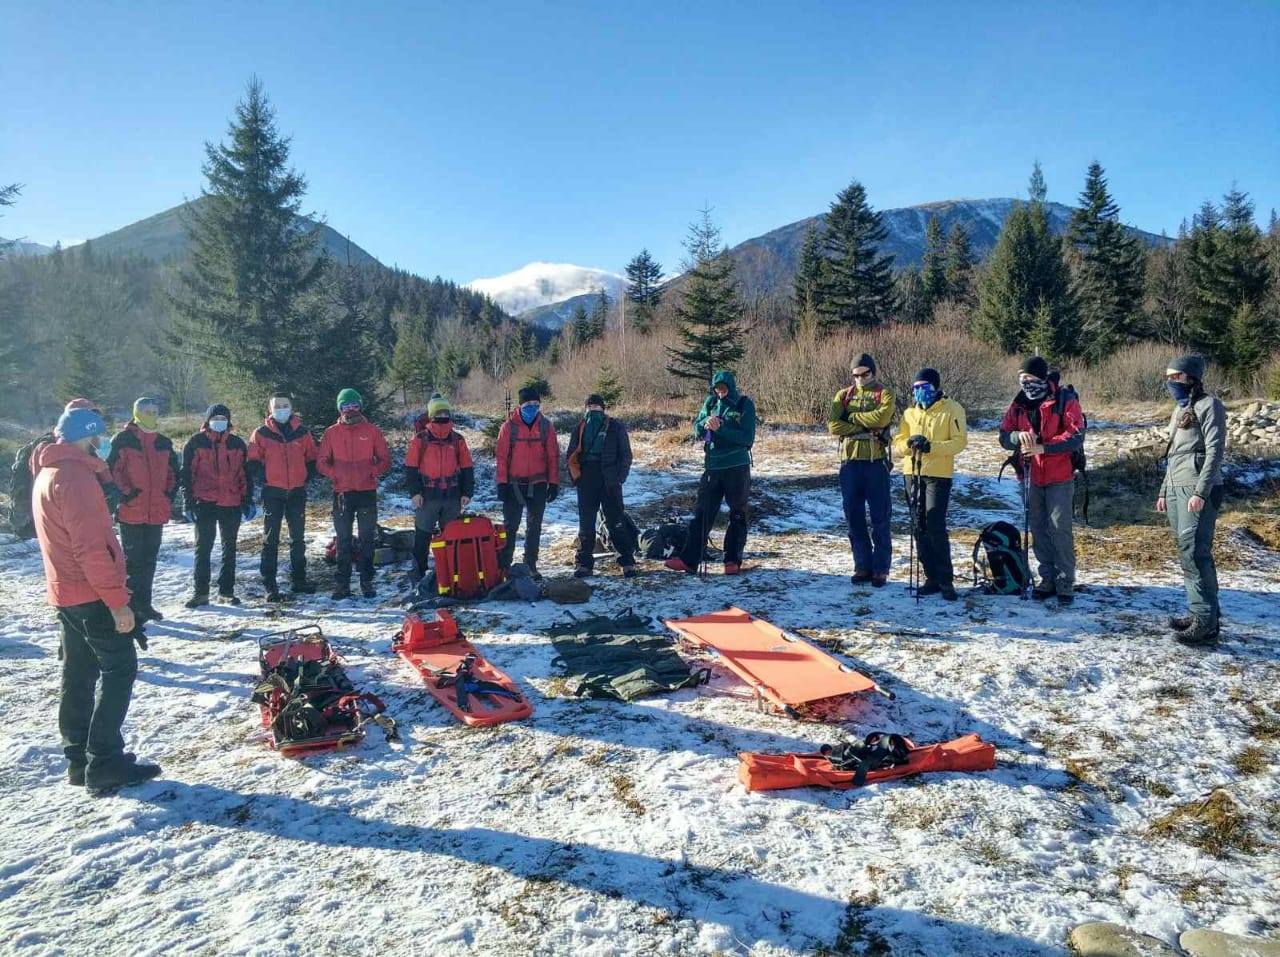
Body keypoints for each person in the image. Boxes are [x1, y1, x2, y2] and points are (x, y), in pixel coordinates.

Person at [32, 407, 160, 793]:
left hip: (65, 594)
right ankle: (103, 761)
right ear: (87, 438)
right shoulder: (75, 479)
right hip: (90, 595)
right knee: (120, 669)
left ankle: (79, 759)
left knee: (78, 674)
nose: (102, 444)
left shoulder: (48, 473)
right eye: (98, 438)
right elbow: (91, 548)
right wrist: (118, 602)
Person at [999, 356, 1085, 606]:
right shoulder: (1018, 403)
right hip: (1030, 475)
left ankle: (1065, 582)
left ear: (1042, 378)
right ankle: (1046, 579)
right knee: (1038, 528)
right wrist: (1017, 437)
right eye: (1022, 378)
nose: (1025, 383)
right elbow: (1003, 436)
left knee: (1059, 528)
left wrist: (1043, 448)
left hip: (1060, 475)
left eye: (1030, 378)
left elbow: (1076, 435)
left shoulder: (1064, 400)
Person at [1157, 355, 1227, 646]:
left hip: (1197, 489)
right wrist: (1163, 491)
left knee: (1195, 553)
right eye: (1168, 377)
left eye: (1176, 376)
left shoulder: (1209, 405)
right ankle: (1202, 613)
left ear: (1191, 377)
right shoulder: (1180, 409)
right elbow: (1174, 455)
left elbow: (1214, 451)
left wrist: (1201, 492)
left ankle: (1205, 622)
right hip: (1176, 487)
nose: (1171, 382)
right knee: (1187, 554)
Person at [665, 369, 757, 576]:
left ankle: (732, 560)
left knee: (737, 514)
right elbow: (697, 428)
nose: (720, 392)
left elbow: (747, 438)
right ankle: (689, 560)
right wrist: (704, 425)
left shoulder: (744, 404)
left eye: (723, 389)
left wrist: (721, 428)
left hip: (736, 466)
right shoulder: (710, 403)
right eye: (717, 389)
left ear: (730, 387)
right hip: (712, 467)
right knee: (702, 514)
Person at [893, 368, 968, 600]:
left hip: (938, 474)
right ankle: (931, 577)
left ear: (935, 387)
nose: (919, 393)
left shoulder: (952, 409)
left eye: (924, 388)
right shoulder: (908, 414)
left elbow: (958, 442)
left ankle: (946, 579)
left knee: (935, 523)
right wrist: (909, 443)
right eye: (915, 388)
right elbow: (898, 443)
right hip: (912, 472)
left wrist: (931, 446)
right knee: (919, 526)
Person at [108, 397, 180, 623]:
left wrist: (167, 495)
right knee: (132, 562)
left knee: (150, 560)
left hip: (156, 511)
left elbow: (173, 473)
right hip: (131, 511)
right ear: (136, 413)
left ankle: (145, 605)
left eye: (154, 411)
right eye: (146, 411)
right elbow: (112, 471)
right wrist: (127, 493)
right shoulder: (122, 440)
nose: (151, 415)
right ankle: (130, 608)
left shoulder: (164, 442)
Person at [827, 353, 896, 587]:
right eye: (855, 375)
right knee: (854, 518)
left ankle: (880, 568)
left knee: (880, 518)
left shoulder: (884, 393)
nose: (859, 379)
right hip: (849, 464)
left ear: (873, 373)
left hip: (876, 463)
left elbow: (883, 416)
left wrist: (853, 419)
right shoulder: (843, 396)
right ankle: (862, 565)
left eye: (864, 374)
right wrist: (865, 428)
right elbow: (833, 425)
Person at [9, 398, 121, 539]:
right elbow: (42, 490)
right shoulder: (48, 449)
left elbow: (100, 482)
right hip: (56, 527)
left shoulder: (89, 449)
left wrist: (109, 491)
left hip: (82, 523)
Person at [317, 388, 390, 599]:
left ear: (360, 406)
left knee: (367, 538)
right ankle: (342, 584)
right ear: (340, 409)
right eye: (345, 406)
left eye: (354, 405)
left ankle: (366, 581)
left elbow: (385, 459)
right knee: (343, 539)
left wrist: (372, 472)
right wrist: (335, 474)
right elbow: (322, 462)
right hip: (342, 494)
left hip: (366, 492)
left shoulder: (372, 431)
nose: (350, 410)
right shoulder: (331, 433)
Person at [180, 404, 254, 607]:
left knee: (229, 548)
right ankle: (201, 592)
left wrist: (247, 499)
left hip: (231, 502)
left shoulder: (238, 444)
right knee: (203, 548)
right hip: (204, 502)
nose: (219, 421)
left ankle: (226, 591)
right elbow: (187, 474)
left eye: (223, 418)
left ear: (228, 421)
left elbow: (245, 475)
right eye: (216, 417)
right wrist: (188, 502)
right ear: (208, 420)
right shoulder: (195, 443)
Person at [247, 393, 318, 602]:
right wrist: (265, 478)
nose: (281, 409)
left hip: (297, 492)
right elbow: (252, 461)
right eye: (277, 406)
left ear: (291, 407)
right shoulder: (260, 433)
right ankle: (270, 585)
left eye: (285, 405)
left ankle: (299, 580)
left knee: (298, 538)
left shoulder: (303, 433)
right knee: (271, 539)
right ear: (270, 409)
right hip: (273, 493)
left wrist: (306, 477)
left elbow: (312, 458)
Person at [566, 393, 638, 578]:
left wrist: (619, 478)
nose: (593, 410)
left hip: (610, 480)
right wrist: (577, 478)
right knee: (586, 524)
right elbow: (571, 455)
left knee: (616, 521)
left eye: (597, 407)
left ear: (603, 408)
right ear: (585, 409)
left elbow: (626, 455)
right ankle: (584, 564)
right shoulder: (579, 428)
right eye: (590, 407)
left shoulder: (616, 427)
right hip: (587, 479)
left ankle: (627, 562)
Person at [404, 393, 474, 578]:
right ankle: (419, 573)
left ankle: (453, 574)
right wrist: (414, 493)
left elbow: (467, 467)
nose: (442, 415)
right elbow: (411, 468)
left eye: (445, 412)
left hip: (452, 495)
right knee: (422, 537)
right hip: (427, 496)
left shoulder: (458, 440)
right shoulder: (420, 439)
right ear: (432, 414)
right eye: (439, 412)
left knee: (452, 537)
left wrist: (467, 492)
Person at [495, 385, 561, 579]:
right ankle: (504, 566)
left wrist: (554, 482)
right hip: (514, 485)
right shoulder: (509, 427)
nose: (533, 407)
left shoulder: (546, 426)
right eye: (528, 403)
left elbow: (553, 456)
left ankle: (530, 564)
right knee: (510, 526)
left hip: (539, 483)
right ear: (520, 405)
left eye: (536, 403)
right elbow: (501, 457)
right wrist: (501, 483)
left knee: (535, 526)